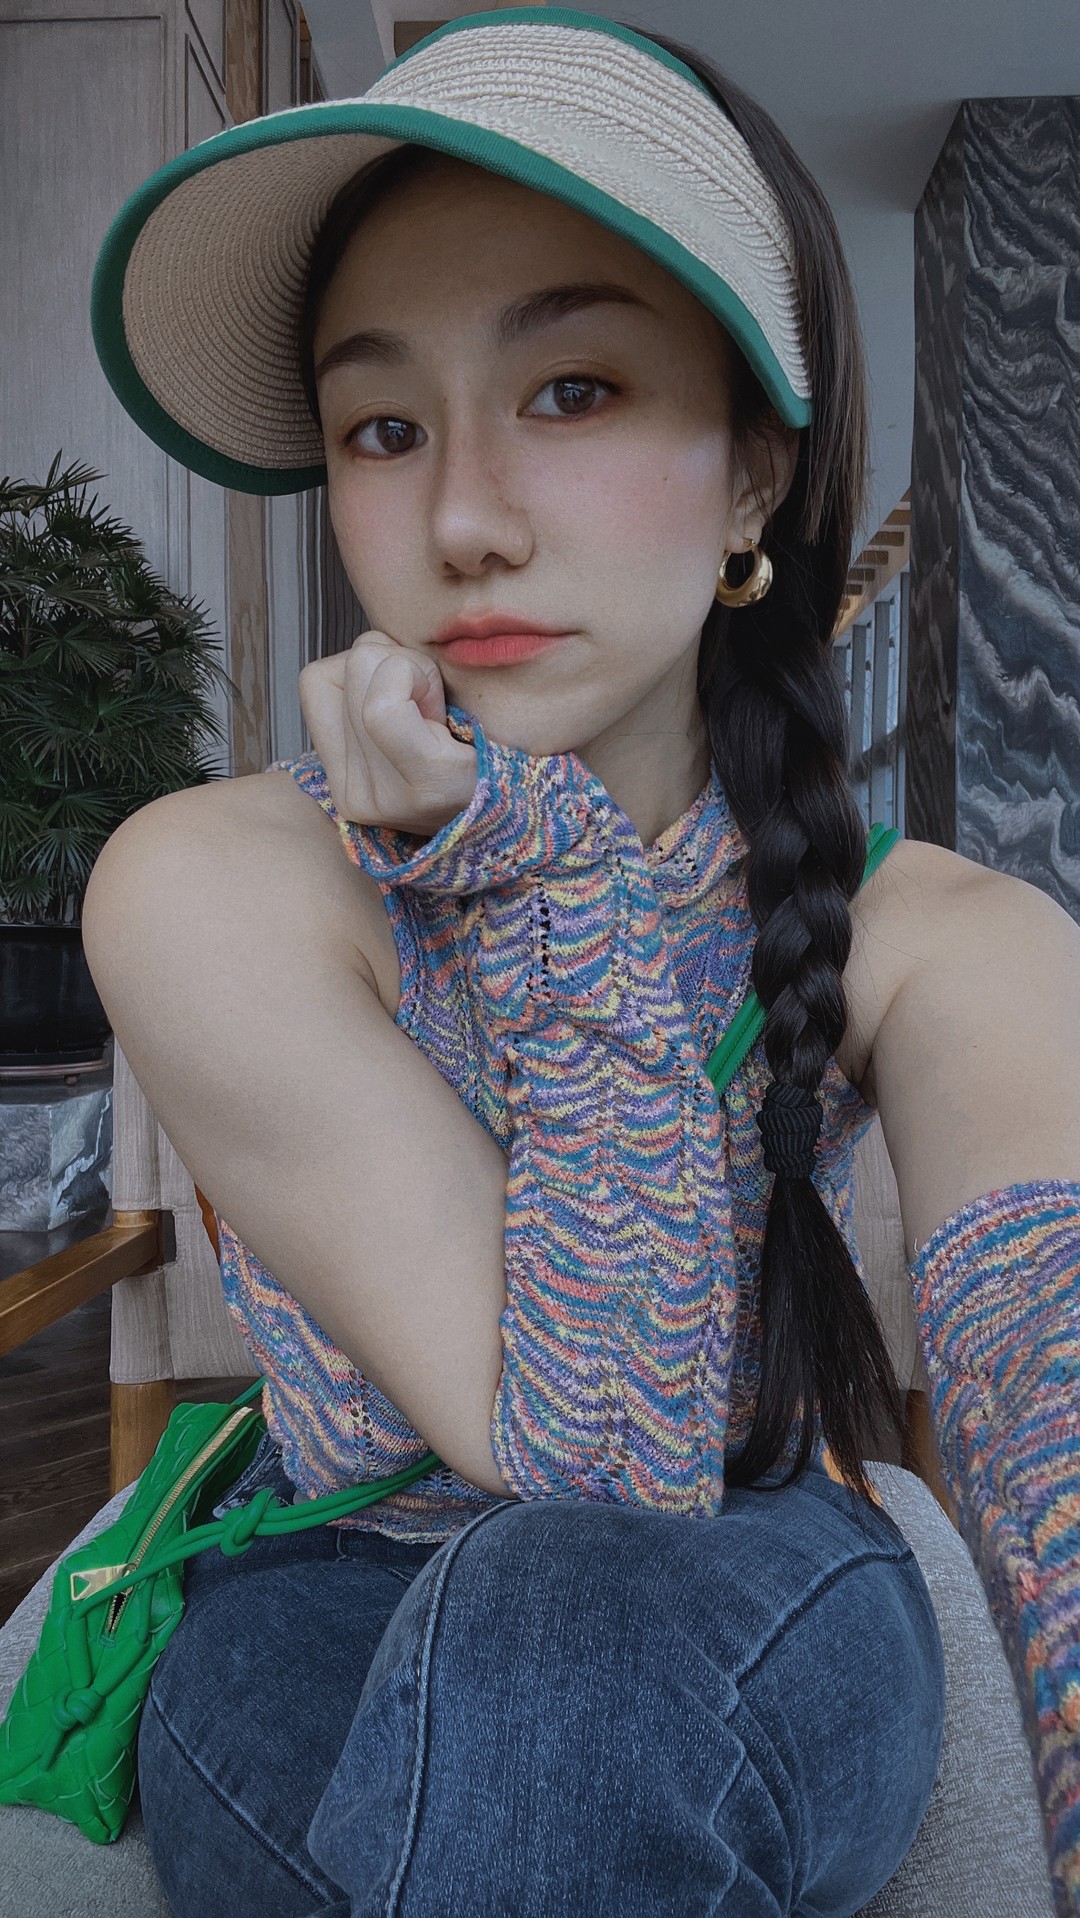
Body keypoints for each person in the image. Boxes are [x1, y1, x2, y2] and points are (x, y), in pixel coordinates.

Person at [81, 9, 1080, 1915]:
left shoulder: (945, 934)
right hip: (323, 1602)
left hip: (749, 1577)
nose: (461, 518)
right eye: (384, 429)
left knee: (567, 1624)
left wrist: (533, 853)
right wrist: (545, 869)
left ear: (755, 478)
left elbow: (1040, 1383)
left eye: (573, 390)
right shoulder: (208, 881)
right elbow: (572, 1433)